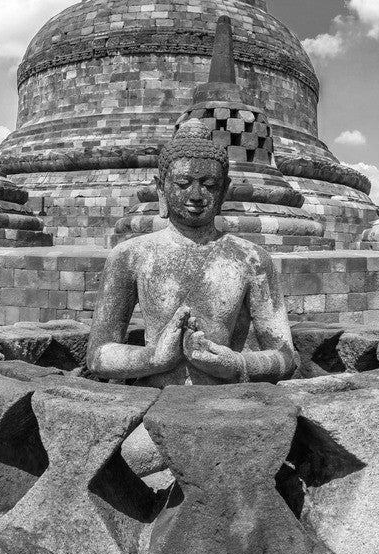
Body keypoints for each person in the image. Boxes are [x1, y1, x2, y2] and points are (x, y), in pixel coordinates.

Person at [86, 119, 298, 387]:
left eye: (209, 184)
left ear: (223, 190)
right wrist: (153, 358)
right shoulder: (130, 256)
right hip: (153, 398)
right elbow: (97, 356)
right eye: (183, 183)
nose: (196, 195)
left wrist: (236, 364)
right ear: (161, 188)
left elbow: (285, 357)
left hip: (226, 403)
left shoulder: (251, 259)